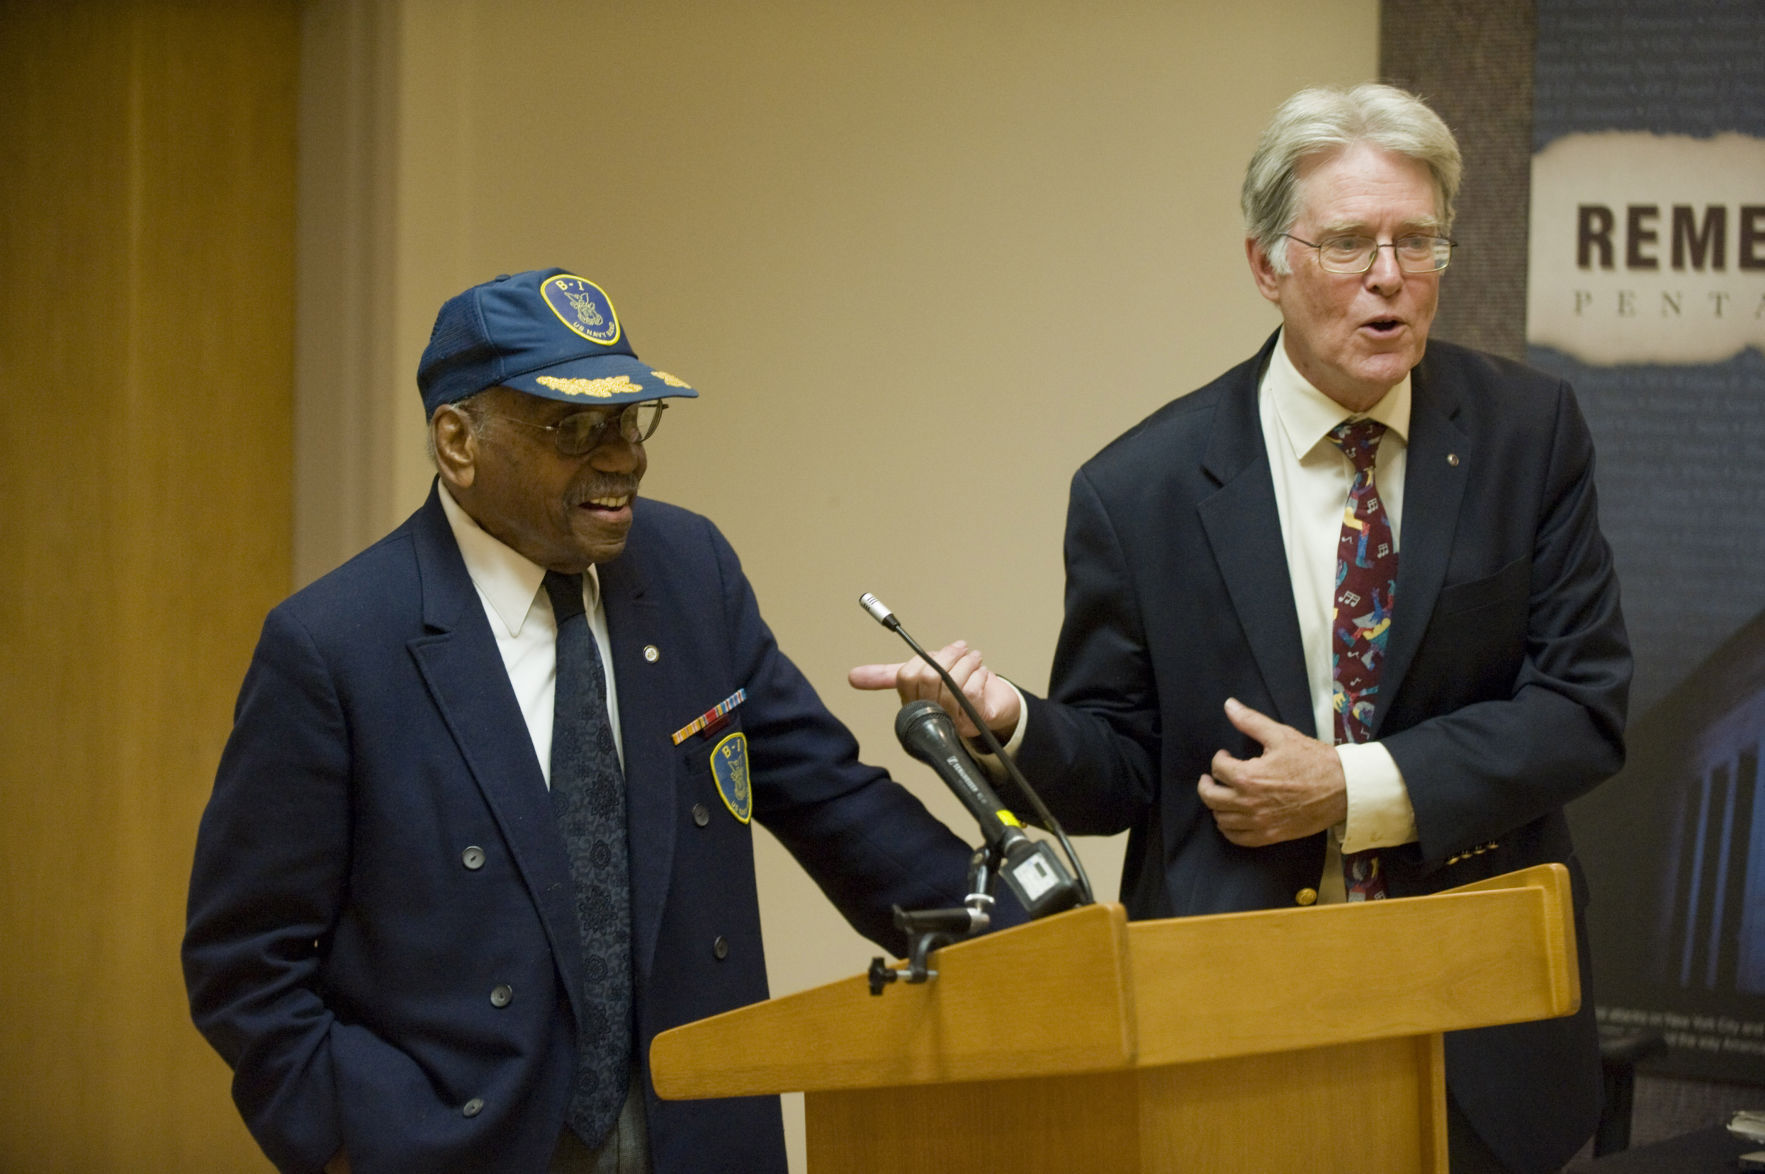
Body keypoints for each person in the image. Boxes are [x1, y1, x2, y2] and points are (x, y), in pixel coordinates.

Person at [852, 84, 1631, 1173]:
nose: (1390, 277)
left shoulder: (1526, 434)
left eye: (1417, 241)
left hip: (1481, 1025)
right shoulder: (1143, 487)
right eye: (1351, 242)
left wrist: (1353, 789)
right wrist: (1012, 723)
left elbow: (1580, 711)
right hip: (1232, 1031)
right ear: (1266, 266)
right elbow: (1122, 772)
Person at [184, 268, 996, 1174]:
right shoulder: (337, 645)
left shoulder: (691, 573)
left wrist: (1026, 937)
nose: (623, 457)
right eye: (574, 427)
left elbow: (833, 804)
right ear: (458, 442)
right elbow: (245, 960)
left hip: (698, 1127)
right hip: (464, 1145)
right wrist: (359, 1139)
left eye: (631, 419)